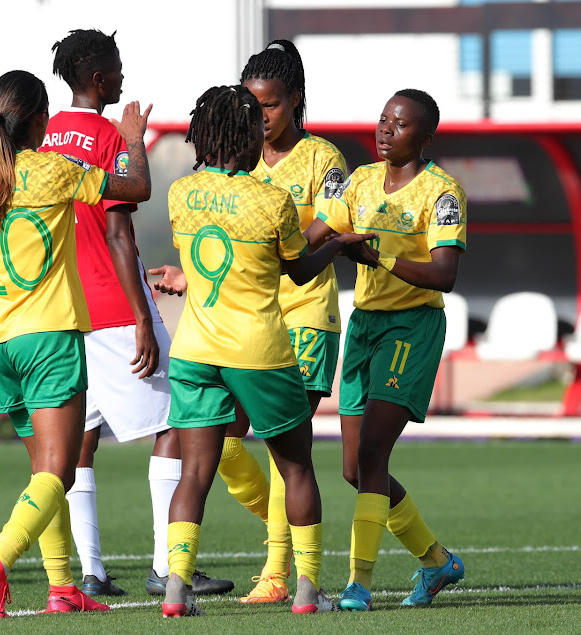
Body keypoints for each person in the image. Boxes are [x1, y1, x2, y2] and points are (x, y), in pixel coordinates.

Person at [157, 84, 375, 617]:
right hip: (259, 350)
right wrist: (341, 245)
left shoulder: (180, 192)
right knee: (297, 468)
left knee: (194, 475)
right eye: (256, 127)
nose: (263, 135)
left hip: (195, 349)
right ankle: (306, 592)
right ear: (243, 135)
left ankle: (174, 593)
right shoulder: (273, 200)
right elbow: (298, 270)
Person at [39, 28, 232, 599]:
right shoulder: (107, 136)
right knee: (178, 422)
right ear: (98, 78)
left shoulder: (44, 135)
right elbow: (121, 227)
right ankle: (164, 563)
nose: (123, 77)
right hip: (113, 304)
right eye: (117, 68)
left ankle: (91, 571)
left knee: (80, 439)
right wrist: (145, 319)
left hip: (62, 308)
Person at [0, 69, 152, 618]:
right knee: (58, 471)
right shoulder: (56, 170)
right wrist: (132, 139)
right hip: (48, 336)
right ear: (41, 121)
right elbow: (135, 189)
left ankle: (63, 587)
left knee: (44, 468)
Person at [304, 88, 467, 611]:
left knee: (374, 452)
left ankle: (359, 585)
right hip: (365, 326)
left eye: (399, 124)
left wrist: (379, 259)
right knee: (354, 468)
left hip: (412, 329)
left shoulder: (442, 193)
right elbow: (315, 235)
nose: (385, 130)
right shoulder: (360, 180)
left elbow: (445, 274)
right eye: (382, 120)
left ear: (424, 136)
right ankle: (437, 561)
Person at [212, 39, 349, 605]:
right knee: (219, 437)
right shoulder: (238, 159)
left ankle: (276, 573)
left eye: (268, 104)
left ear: (294, 100)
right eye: (251, 105)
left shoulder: (324, 159)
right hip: (250, 321)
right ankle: (286, 523)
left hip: (307, 314)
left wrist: (277, 247)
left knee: (280, 441)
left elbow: (334, 224)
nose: (259, 116)